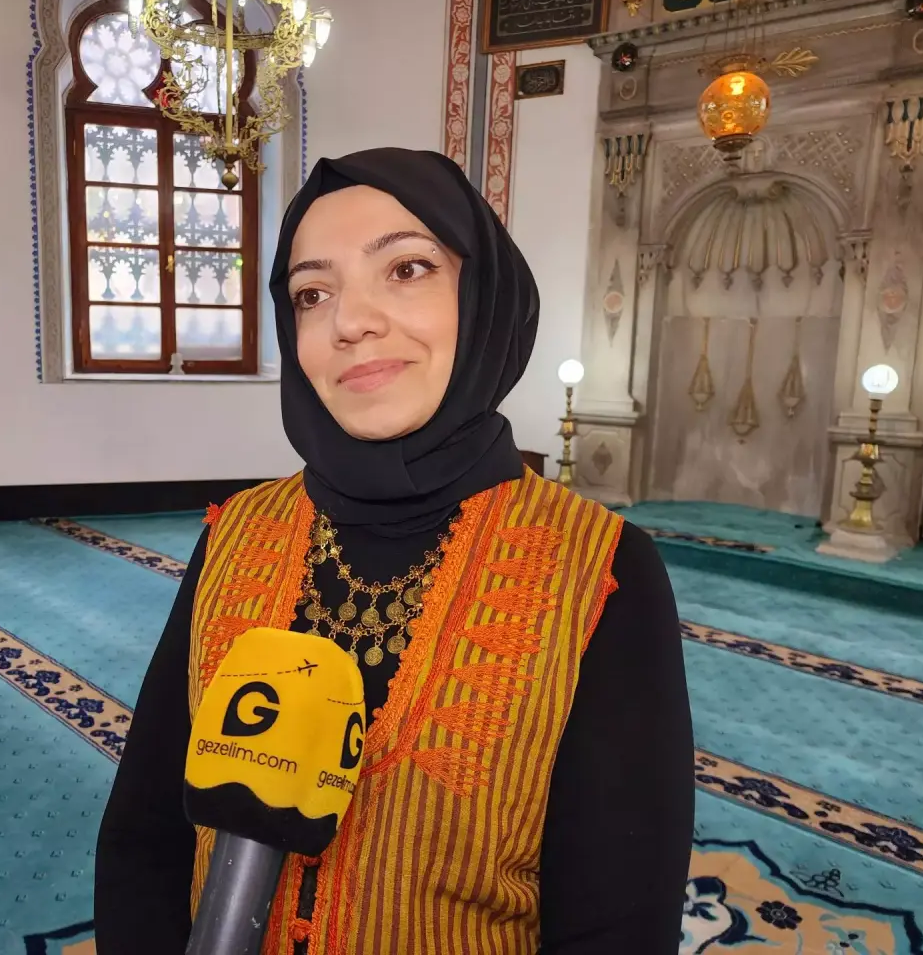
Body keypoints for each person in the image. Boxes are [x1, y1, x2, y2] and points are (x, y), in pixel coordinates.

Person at [95, 148, 694, 954]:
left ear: (484, 297)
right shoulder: (236, 531)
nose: (350, 321)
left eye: (407, 269)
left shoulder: (600, 568)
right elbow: (145, 836)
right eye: (312, 294)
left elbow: (617, 922)